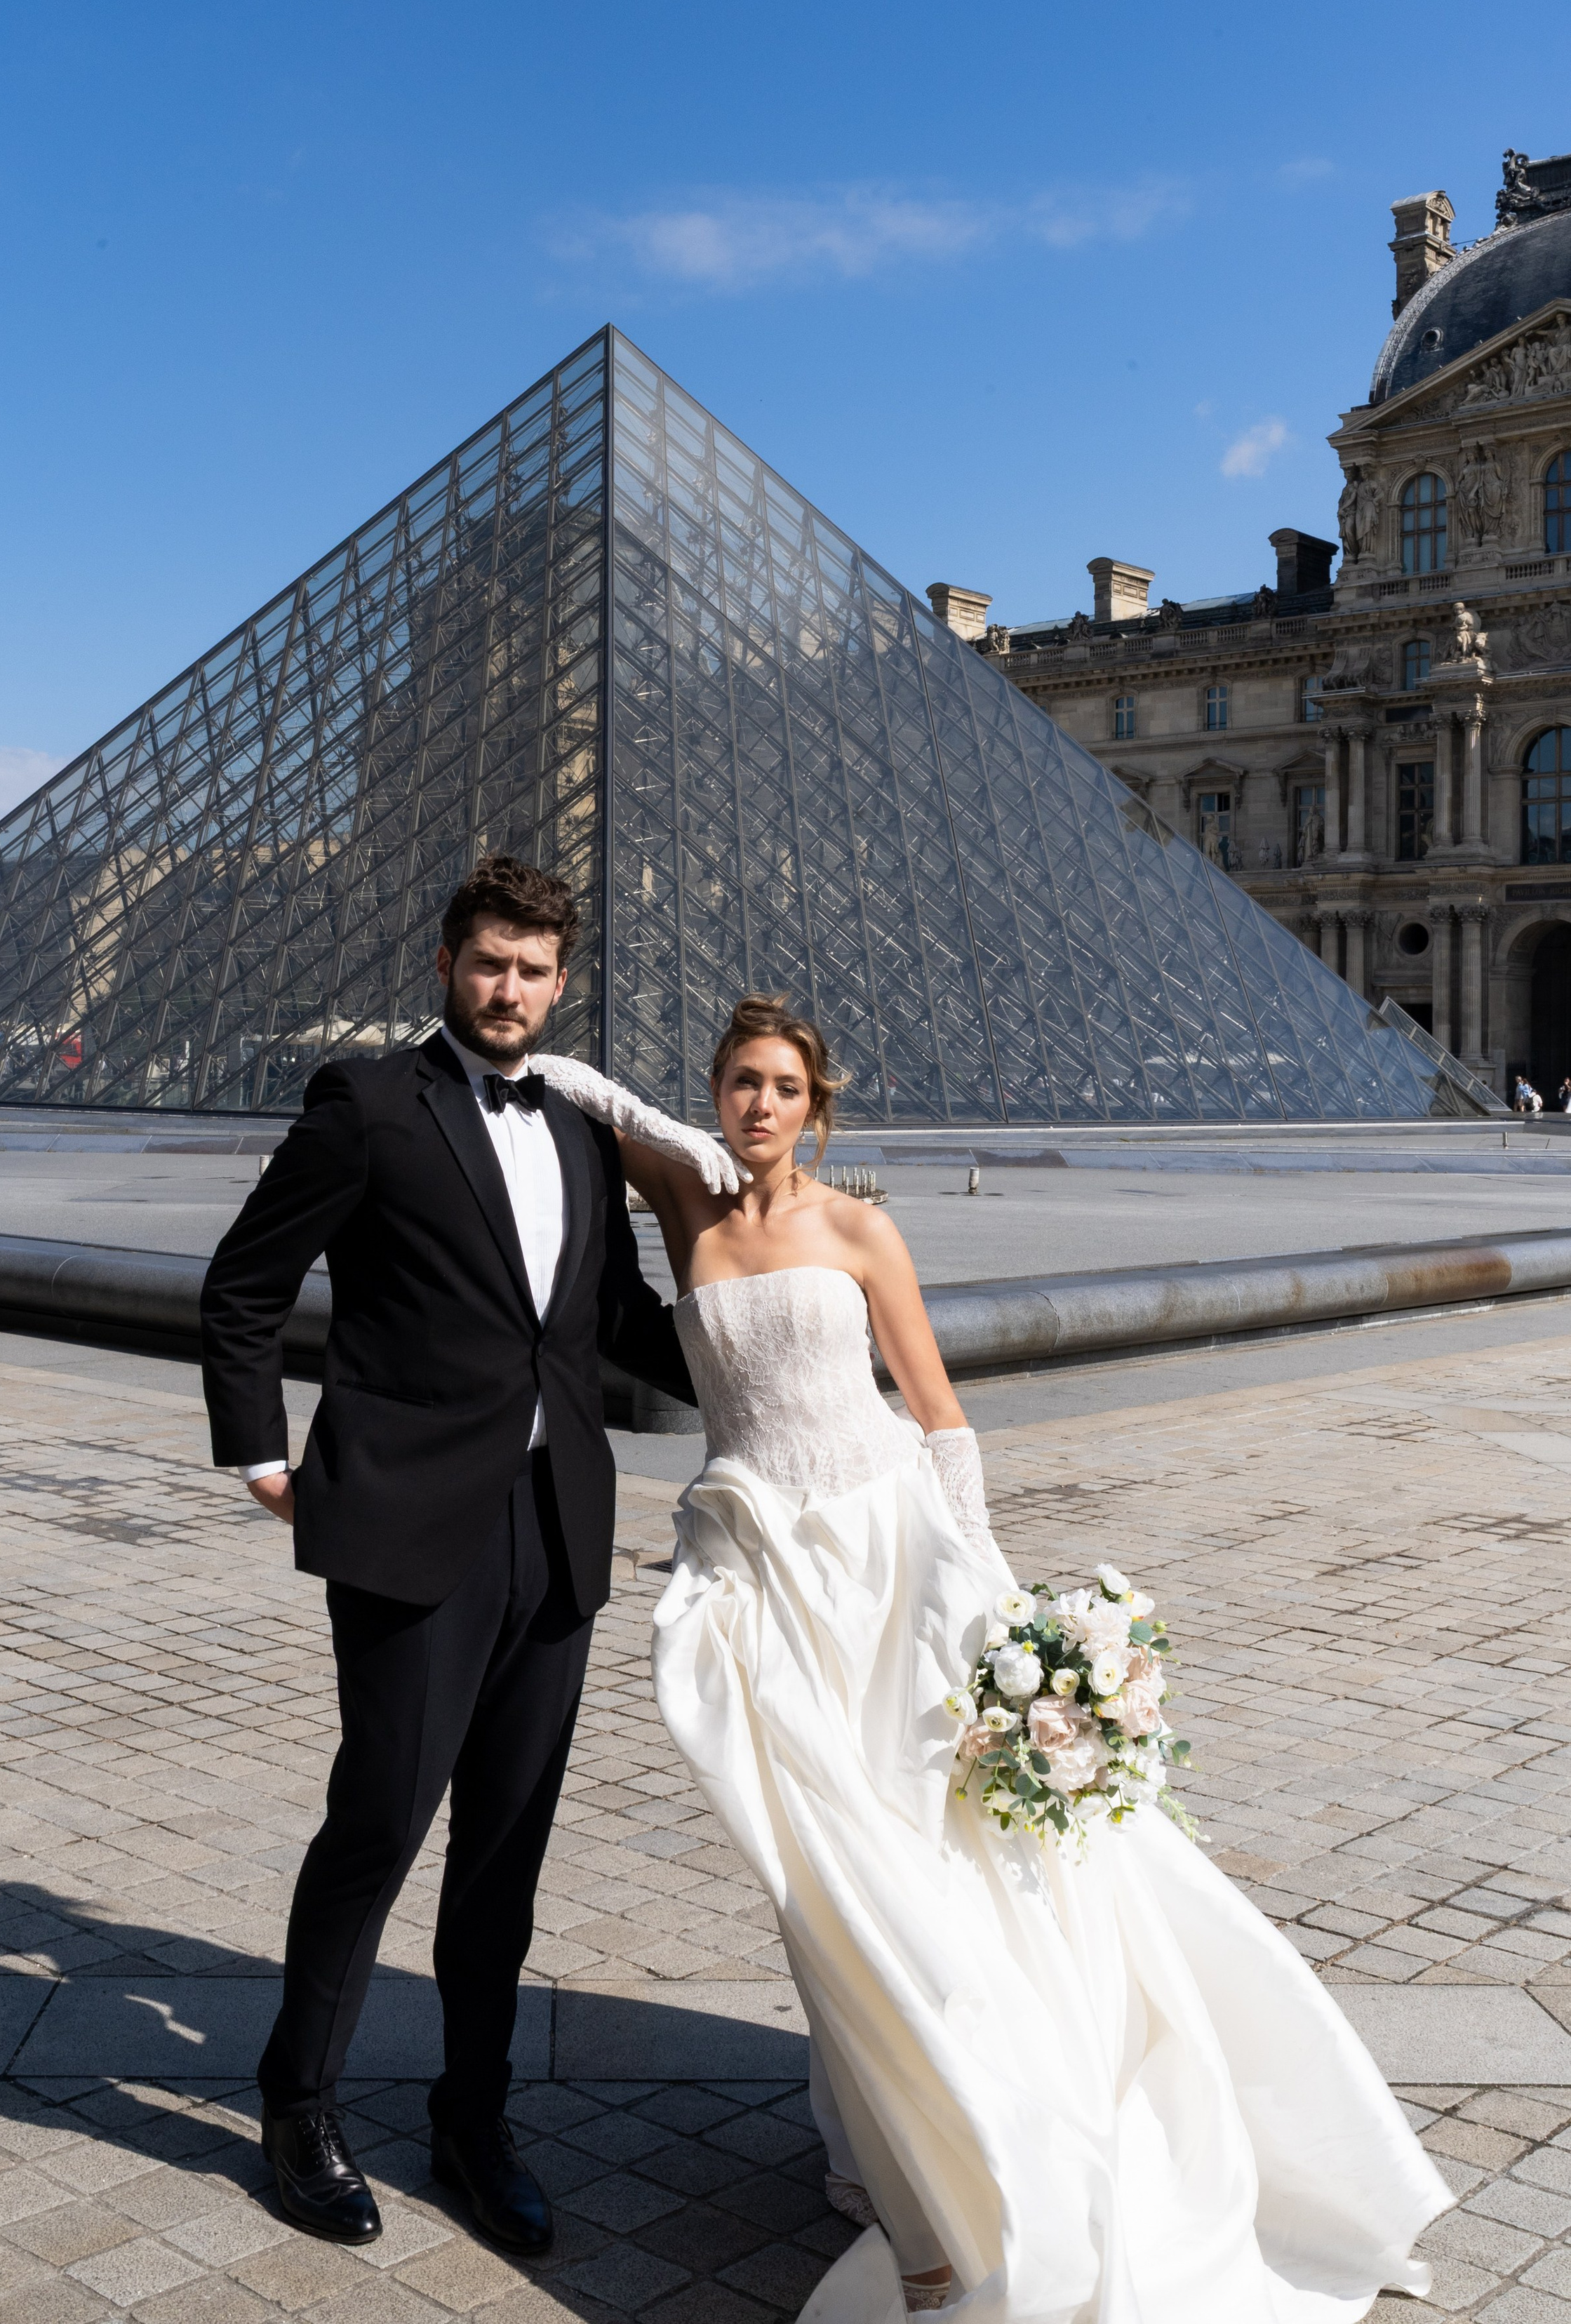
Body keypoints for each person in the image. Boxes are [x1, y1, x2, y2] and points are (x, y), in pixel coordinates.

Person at [546, 994, 1449, 2320]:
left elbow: (939, 1413)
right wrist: (509, 1049)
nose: (758, 1106)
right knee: (818, 1860)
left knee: (932, 1843)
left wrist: (992, 1592)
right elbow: (611, 1111)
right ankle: (894, 2131)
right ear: (721, 1094)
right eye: (741, 1083)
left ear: (818, 1107)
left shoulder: (859, 1227)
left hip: (892, 1562)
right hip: (769, 1584)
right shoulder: (692, 1215)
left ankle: (988, 2129)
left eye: (784, 1088)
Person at [198, 856, 739, 2253]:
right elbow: (246, 1284)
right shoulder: (367, 1105)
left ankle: (470, 2115)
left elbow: (610, 1322)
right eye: (488, 964)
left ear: (564, 984)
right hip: (407, 1518)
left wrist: (769, 1348)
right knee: (379, 1819)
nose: (509, 991)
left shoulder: (577, 1131)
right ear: (447, 964)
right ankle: (297, 2102)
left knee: (506, 1847)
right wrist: (261, 1456)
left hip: (557, 1520)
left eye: (534, 970)